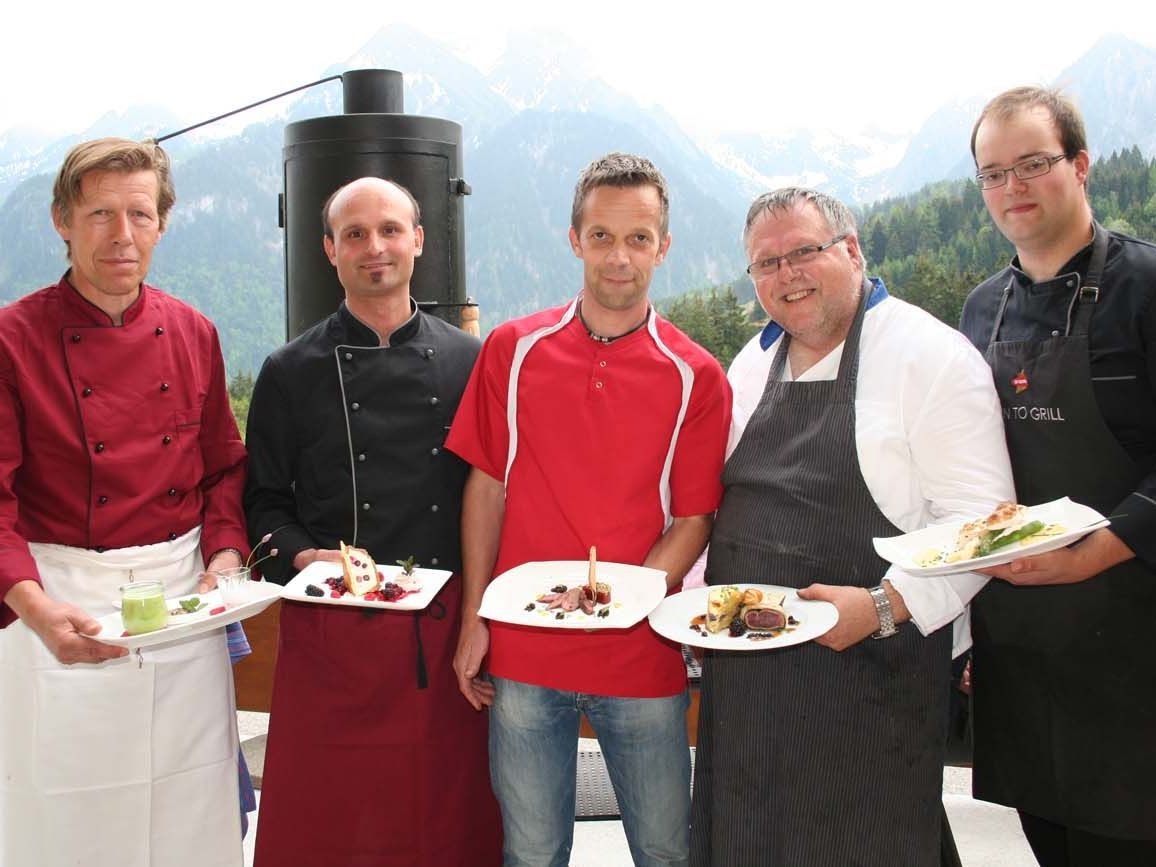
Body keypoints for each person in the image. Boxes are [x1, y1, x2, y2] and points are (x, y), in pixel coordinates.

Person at [688, 187, 1014, 867]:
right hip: (749, 687)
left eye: (804, 251)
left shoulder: (931, 357)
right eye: (766, 264)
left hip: (868, 681)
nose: (786, 275)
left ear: (853, 250)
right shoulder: (752, 362)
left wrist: (882, 608)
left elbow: (984, 527)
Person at [447, 151, 731, 867]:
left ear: (663, 246)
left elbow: (694, 516)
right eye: (601, 236)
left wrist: (627, 598)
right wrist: (474, 616)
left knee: (667, 852)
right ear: (575, 239)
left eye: (638, 238)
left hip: (642, 655)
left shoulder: (695, 374)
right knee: (533, 852)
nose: (618, 256)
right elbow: (486, 485)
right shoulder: (512, 348)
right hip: (524, 653)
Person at [0, 138, 249, 866]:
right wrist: (39, 611)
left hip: (181, 607)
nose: (122, 234)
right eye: (101, 213)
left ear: (163, 223)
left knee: (186, 807)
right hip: (59, 597)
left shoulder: (194, 332)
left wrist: (226, 557)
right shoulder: (12, 339)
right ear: (61, 221)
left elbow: (222, 471)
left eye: (140, 213)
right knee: (65, 817)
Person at [243, 176, 501, 867]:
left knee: (443, 827)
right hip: (332, 640)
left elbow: (496, 495)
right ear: (329, 249)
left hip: (446, 636)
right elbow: (263, 505)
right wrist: (303, 559)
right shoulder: (288, 370)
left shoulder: (472, 361)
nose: (374, 246)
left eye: (390, 229)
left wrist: (483, 619)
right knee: (330, 831)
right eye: (354, 234)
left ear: (418, 240)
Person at [960, 86, 1156, 866]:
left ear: (1080, 165)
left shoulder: (1146, 288)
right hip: (1026, 651)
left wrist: (1098, 549)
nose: (1012, 188)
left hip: (1135, 646)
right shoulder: (982, 310)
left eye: (1033, 164)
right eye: (993, 173)